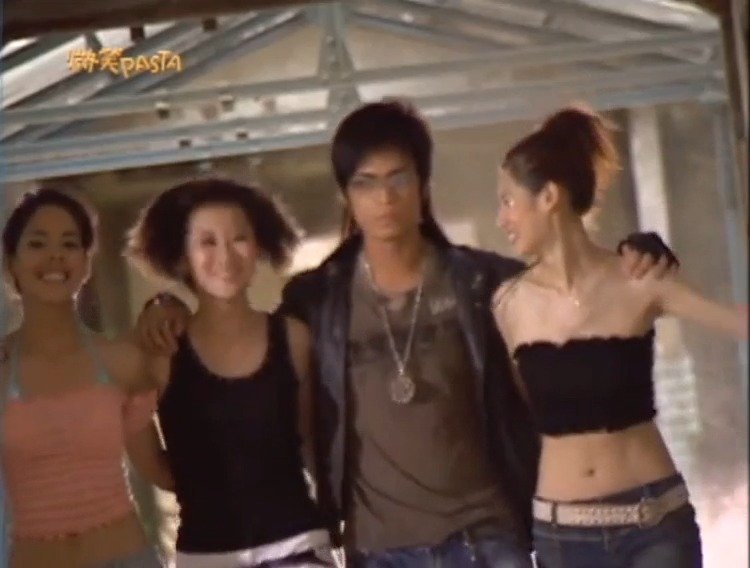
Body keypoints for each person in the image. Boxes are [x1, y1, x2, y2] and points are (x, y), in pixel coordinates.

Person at [135, 100, 678, 568]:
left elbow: (575, 293)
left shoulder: (486, 284)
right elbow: (243, 347)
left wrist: (635, 254)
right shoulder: (315, 301)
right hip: (381, 550)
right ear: (347, 197)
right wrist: (164, 305)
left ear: (423, 186)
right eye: (365, 183)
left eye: (399, 178)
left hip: (488, 540)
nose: (385, 198)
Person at [491, 106, 748, 568]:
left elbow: (736, 321)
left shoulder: (640, 279)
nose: (501, 219)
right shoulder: (507, 304)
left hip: (655, 526)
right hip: (563, 538)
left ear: (548, 196)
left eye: (508, 201)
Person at [124, 178, 335, 568]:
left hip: (298, 545)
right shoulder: (159, 353)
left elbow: (308, 442)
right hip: (206, 553)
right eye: (207, 242)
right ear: (182, 257)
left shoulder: (294, 338)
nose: (225, 255)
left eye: (239, 239)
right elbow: (151, 462)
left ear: (258, 247)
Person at [0, 188, 169, 568]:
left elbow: (161, 472)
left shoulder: (121, 361)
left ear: (86, 264)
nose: (55, 255)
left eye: (69, 243)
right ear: (11, 263)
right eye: (37, 243)